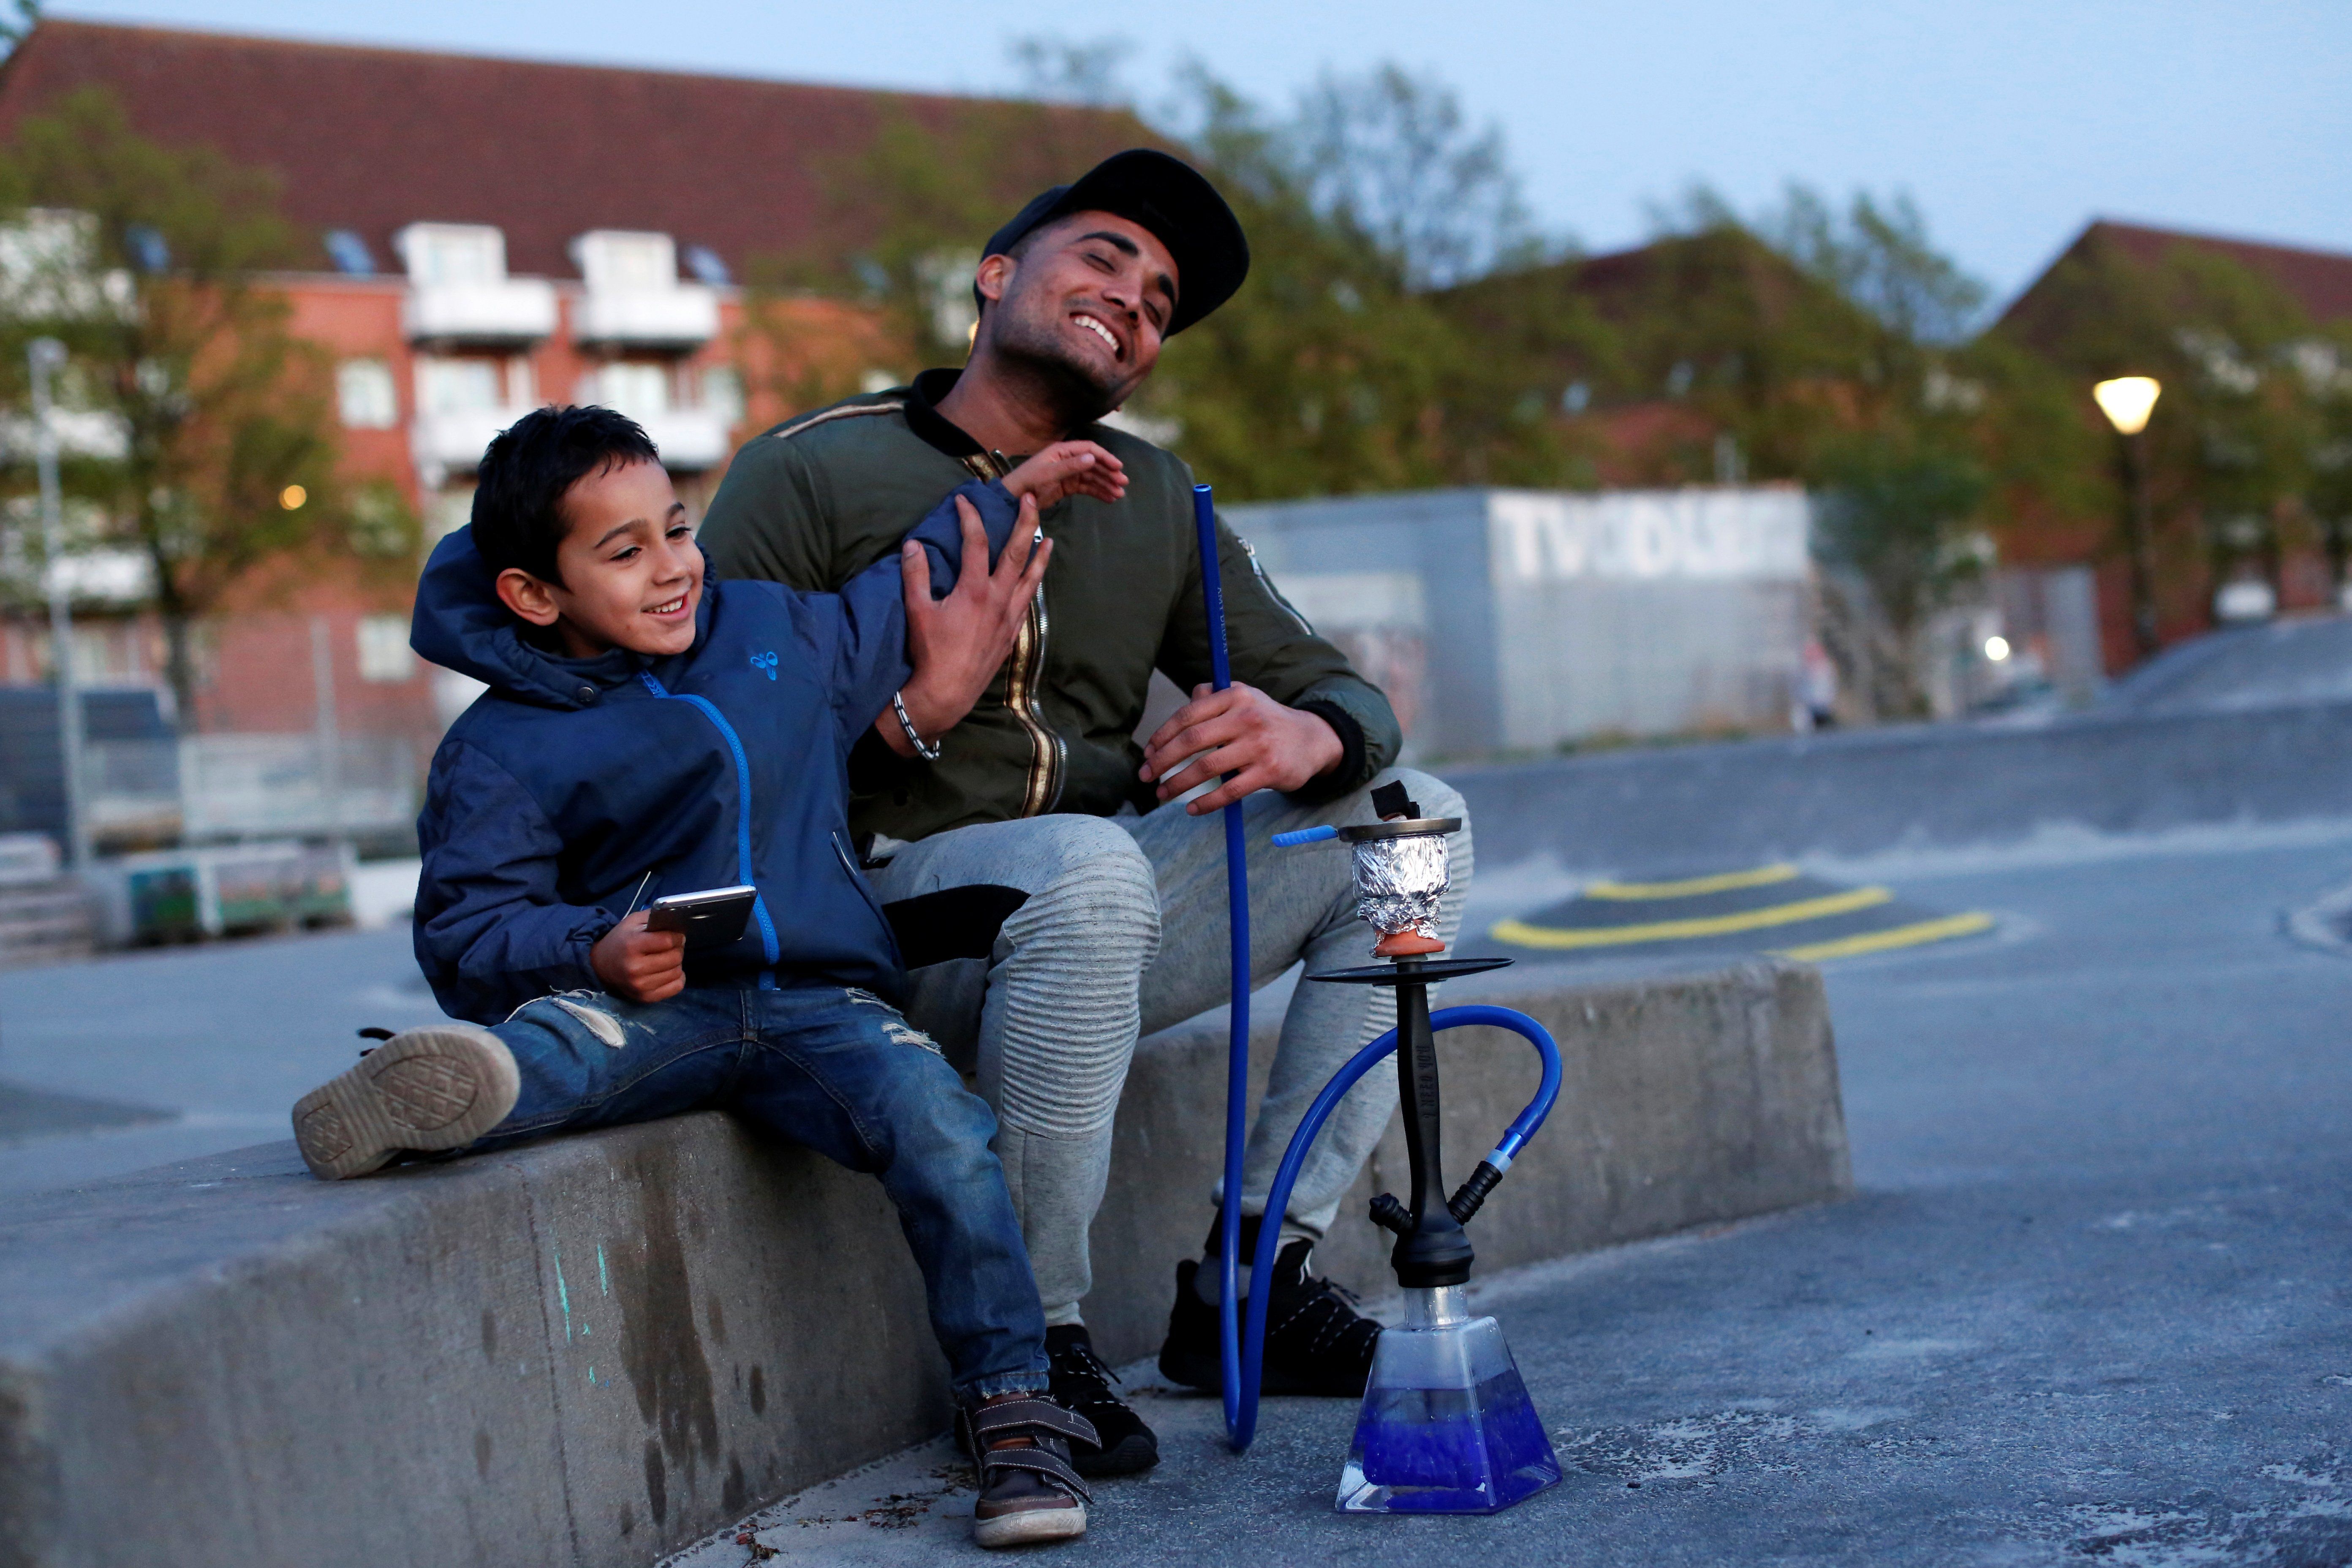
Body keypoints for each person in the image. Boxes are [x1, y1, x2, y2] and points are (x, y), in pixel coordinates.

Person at [696, 148, 1474, 1477]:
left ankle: (1256, 1275)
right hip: (876, 928)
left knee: (1414, 823)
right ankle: (1037, 1341)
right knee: (1086, 868)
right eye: (1103, 257)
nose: (1134, 299)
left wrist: (1308, 728)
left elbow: (1336, 684)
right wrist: (914, 710)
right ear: (997, 277)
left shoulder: (1159, 499)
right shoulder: (810, 473)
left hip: (1085, 924)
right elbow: (707, 754)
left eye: (1161, 300)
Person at [286, 405, 1130, 1549]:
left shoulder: (775, 629)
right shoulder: (499, 748)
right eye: (623, 551)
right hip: (651, 1006)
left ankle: (1010, 1403)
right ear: (537, 595)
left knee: (940, 1119)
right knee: (562, 1049)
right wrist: (592, 946)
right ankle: (428, 1096)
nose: (674, 567)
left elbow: (909, 579)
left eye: (675, 530)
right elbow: (468, 933)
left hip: (818, 1002)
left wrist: (1015, 484)